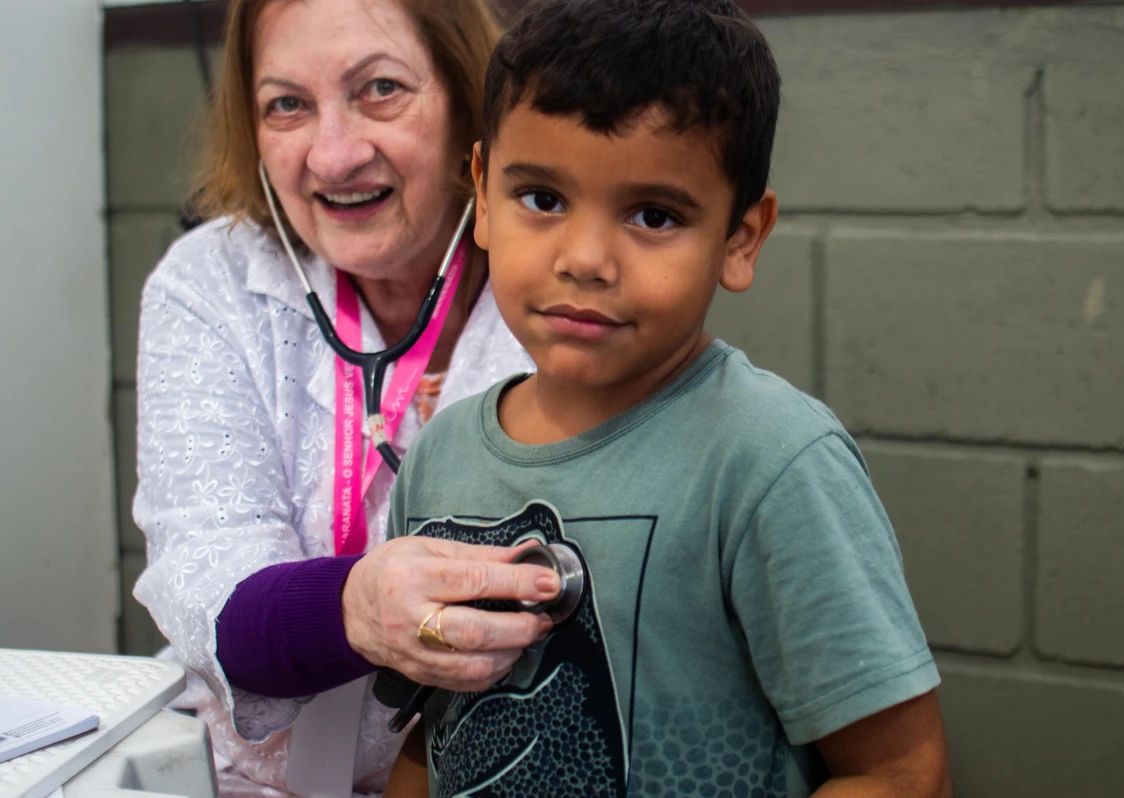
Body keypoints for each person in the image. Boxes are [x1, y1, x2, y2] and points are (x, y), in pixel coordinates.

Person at [382, 0, 953, 795]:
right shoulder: (440, 455)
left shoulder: (772, 461)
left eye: (654, 215)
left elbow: (899, 774)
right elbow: (427, 736)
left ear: (741, 239)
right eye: (541, 198)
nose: (585, 259)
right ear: (481, 194)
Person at [131, 1, 567, 796]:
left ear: (469, 101)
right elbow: (207, 578)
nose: (333, 156)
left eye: (380, 90)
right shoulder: (212, 284)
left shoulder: (562, 287)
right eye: (287, 105)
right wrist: (357, 608)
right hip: (236, 778)